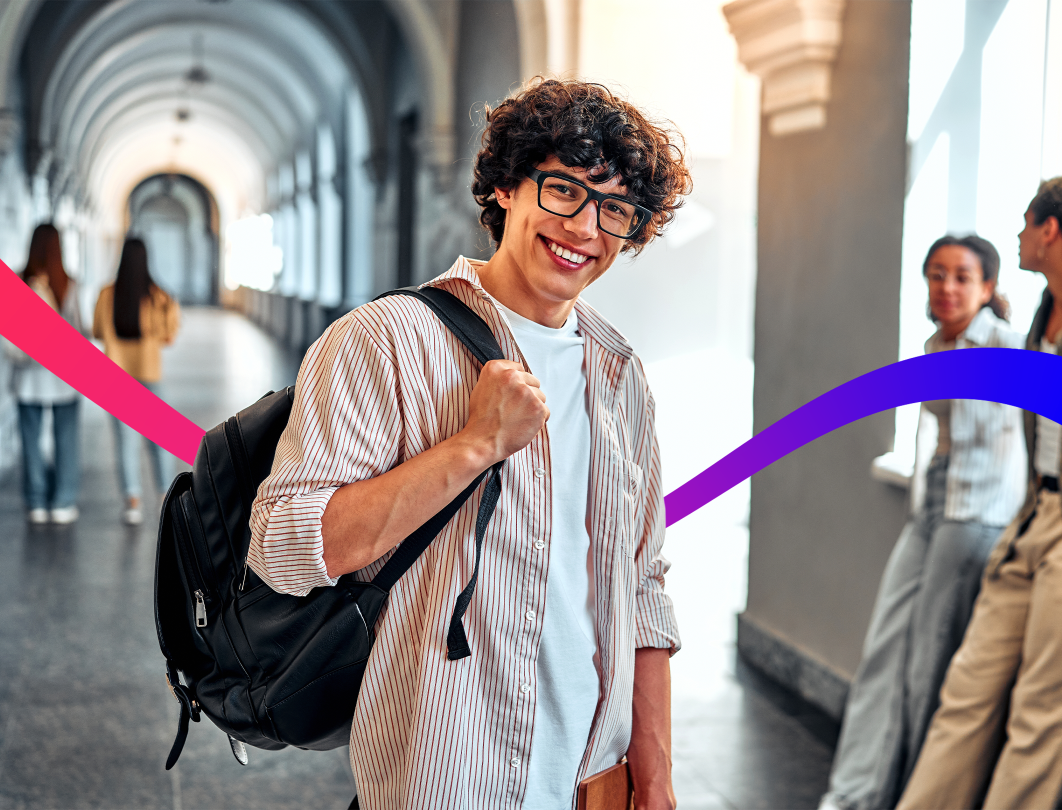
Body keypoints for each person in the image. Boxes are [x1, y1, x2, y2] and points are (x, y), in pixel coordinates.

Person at [247, 79, 690, 810]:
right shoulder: (387, 341)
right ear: (509, 189)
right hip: (450, 772)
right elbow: (284, 544)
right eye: (564, 190)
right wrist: (474, 445)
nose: (586, 228)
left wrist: (658, 774)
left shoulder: (619, 374)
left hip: (595, 778)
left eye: (617, 209)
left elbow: (642, 583)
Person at [818, 235, 1026, 810]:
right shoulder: (938, 344)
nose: (947, 288)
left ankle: (911, 794)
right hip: (932, 509)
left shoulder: (1009, 348)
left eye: (962, 277)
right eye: (937, 275)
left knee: (928, 672)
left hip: (976, 521)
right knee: (885, 653)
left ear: (988, 287)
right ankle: (854, 795)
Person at [897, 177, 1062, 810]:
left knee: (1040, 707)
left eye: (1026, 223)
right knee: (966, 689)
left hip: (1038, 517)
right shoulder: (1045, 312)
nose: (1018, 235)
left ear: (1050, 230)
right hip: (1033, 513)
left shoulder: (1005, 333)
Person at [93, 238, 180, 525]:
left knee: (125, 442)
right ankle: (164, 497)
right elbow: (170, 335)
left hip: (116, 377)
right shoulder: (158, 296)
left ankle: (132, 503)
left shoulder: (106, 294)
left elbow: (97, 330)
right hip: (150, 373)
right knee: (159, 441)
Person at [6, 223, 83, 525]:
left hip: (27, 377)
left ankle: (36, 501)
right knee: (65, 438)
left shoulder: (17, 281)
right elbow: (77, 332)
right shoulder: (69, 284)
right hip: (64, 379)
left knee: (30, 439)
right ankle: (62, 501)